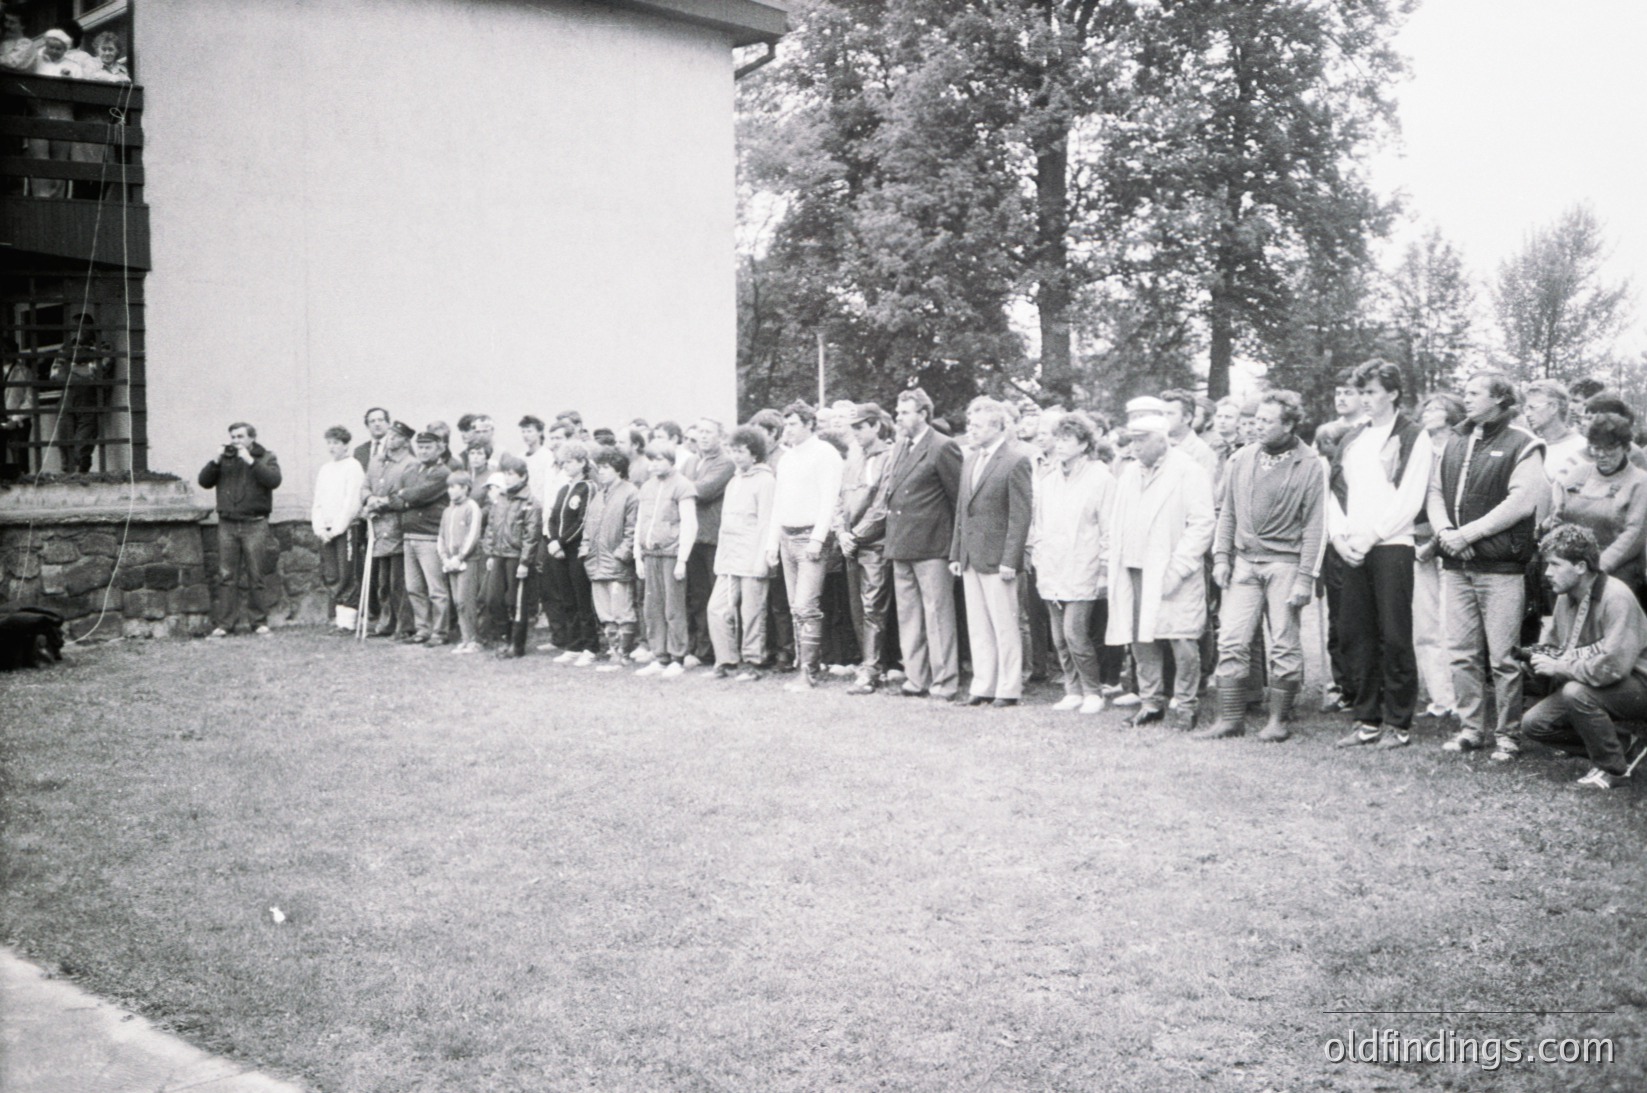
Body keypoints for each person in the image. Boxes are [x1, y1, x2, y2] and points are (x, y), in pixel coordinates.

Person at [1195, 390, 1326, 741]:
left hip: (1285, 564)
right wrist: (1221, 558)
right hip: (1244, 564)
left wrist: (1304, 578)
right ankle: (1230, 718)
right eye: (1255, 420)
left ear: (1289, 424)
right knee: (1232, 638)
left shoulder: (1310, 464)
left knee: (1284, 642)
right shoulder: (1242, 459)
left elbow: (1316, 525)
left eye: (1267, 421)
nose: (1257, 427)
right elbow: (1228, 514)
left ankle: (1279, 720)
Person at [1428, 371, 1545, 760]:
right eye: (1466, 392)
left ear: (1499, 399)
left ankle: (1508, 735)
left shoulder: (1524, 443)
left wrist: (1468, 535)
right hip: (1456, 566)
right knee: (1461, 652)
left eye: (1475, 392)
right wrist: (1446, 532)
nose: (1467, 397)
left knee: (1504, 657)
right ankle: (1470, 729)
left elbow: (1521, 502)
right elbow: (1434, 492)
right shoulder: (1455, 440)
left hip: (1501, 570)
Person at [1328, 360, 1432, 750]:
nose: (1365, 399)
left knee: (1394, 635)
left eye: (1371, 392)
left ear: (1392, 393)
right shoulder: (1351, 439)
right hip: (1353, 548)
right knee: (1356, 635)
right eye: (1361, 392)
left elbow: (1410, 498)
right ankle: (1367, 718)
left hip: (1392, 547)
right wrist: (1340, 539)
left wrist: (1371, 536)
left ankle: (1398, 722)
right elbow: (1334, 493)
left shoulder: (1413, 436)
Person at [1105, 398, 1216, 729]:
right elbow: (1117, 520)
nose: (1134, 447)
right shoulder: (1128, 473)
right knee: (1141, 638)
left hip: (1173, 571)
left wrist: (1179, 567)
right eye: (1132, 440)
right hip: (1134, 567)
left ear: (1161, 439)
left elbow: (1202, 524)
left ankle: (1185, 703)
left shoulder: (1188, 471)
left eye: (1141, 440)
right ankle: (1151, 702)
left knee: (1181, 638)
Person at [1522, 524, 1647, 789]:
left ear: (1580, 566)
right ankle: (1623, 744)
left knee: (1576, 693)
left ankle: (1613, 770)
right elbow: (1556, 646)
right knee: (1535, 724)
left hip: (1638, 682)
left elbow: (1613, 667)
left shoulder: (1616, 597)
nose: (1547, 573)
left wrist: (1560, 666)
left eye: (1555, 565)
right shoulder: (1566, 597)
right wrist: (1537, 660)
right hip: (1599, 680)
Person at [875, 388, 964, 700]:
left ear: (923, 414)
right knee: (909, 616)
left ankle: (945, 681)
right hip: (901, 545)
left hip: (933, 546)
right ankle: (916, 678)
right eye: (898, 413)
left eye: (905, 412)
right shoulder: (899, 446)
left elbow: (959, 502)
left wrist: (956, 549)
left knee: (938, 616)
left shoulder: (943, 447)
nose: (899, 418)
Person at [1028, 411, 1115, 714]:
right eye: (1059, 438)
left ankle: (1093, 690)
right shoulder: (1048, 478)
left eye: (1068, 439)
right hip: (1051, 567)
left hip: (1084, 566)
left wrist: (1104, 568)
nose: (1060, 444)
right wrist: (1038, 556)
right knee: (1058, 637)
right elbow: (1038, 524)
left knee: (1075, 632)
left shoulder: (1100, 477)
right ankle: (1072, 689)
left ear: (1084, 444)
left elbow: (1108, 527)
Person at [949, 398, 1035, 707]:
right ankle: (983, 685)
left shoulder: (1015, 461)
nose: (970, 429)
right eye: (969, 423)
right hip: (971, 556)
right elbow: (963, 511)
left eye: (978, 424)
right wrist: (957, 554)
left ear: (998, 427)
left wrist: (1010, 559)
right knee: (979, 625)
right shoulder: (970, 460)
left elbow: (1020, 515)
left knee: (1005, 625)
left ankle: (1008, 688)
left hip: (999, 560)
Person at [764, 400, 844, 691]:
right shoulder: (786, 459)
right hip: (787, 536)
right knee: (795, 607)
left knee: (806, 605)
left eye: (794, 424)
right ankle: (806, 665)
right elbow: (778, 503)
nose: (788, 429)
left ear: (809, 424)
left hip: (811, 537)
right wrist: (772, 542)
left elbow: (829, 499)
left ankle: (808, 673)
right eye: (786, 424)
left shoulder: (826, 454)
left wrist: (818, 538)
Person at [1545, 412, 1647, 603]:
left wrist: (1595, 570)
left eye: (1610, 448)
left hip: (1615, 577)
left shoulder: (1639, 482)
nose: (1601, 454)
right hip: (1573, 572)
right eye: (1596, 448)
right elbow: (1559, 518)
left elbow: (1633, 536)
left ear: (1625, 447)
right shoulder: (1578, 474)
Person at [198, 422, 282, 637]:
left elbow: (274, 480)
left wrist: (251, 461)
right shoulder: (225, 458)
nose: (235, 441)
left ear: (251, 438)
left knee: (256, 575)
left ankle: (259, 622)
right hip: (227, 524)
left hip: (255, 523)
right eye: (233, 437)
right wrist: (215, 460)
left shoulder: (266, 457)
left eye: (240, 437)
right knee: (226, 575)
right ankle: (225, 624)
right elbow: (204, 481)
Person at [1413, 392, 1465, 724]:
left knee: (1453, 627)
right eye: (1426, 408)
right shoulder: (1417, 448)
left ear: (1452, 413)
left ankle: (1461, 699)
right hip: (1416, 544)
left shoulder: (1462, 448)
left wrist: (1437, 540)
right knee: (1424, 625)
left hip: (1453, 544)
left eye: (1437, 407)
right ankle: (1440, 699)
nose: (1429, 412)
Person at [709, 425, 777, 680]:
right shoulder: (734, 481)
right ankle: (726, 660)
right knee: (716, 608)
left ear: (754, 452)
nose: (736, 456)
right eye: (733, 450)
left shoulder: (766, 481)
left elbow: (766, 522)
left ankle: (754, 662)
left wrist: (762, 560)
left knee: (752, 613)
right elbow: (726, 525)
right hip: (729, 559)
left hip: (752, 558)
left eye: (740, 451)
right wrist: (721, 559)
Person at [836, 403, 894, 694]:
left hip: (874, 545)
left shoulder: (889, 457)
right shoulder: (853, 457)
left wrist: (855, 535)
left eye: (860, 427)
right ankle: (869, 665)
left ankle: (872, 669)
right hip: (852, 544)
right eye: (853, 428)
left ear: (875, 426)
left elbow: (882, 506)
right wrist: (841, 532)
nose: (856, 433)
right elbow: (840, 499)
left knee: (873, 607)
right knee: (858, 608)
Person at [635, 430, 698, 678]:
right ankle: (659, 655)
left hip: (672, 554)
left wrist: (682, 559)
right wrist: (638, 556)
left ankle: (677, 656)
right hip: (650, 554)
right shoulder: (647, 487)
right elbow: (640, 523)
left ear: (671, 460)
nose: (654, 464)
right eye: (651, 459)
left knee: (673, 607)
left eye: (659, 459)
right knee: (653, 607)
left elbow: (689, 524)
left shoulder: (682, 486)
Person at [381, 431, 452, 646]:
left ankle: (440, 632)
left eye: (428, 447)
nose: (423, 451)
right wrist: (405, 496)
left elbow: (418, 495)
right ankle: (423, 629)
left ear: (439, 448)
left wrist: (406, 495)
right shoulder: (411, 469)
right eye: (420, 447)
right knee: (413, 588)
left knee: (436, 589)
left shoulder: (443, 473)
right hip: (409, 536)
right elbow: (394, 498)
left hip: (429, 537)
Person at [581, 448, 641, 670]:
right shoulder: (598, 495)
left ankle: (623, 654)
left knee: (622, 610)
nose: (601, 472)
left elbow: (633, 529)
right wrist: (585, 551)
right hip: (596, 563)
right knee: (605, 612)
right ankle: (613, 650)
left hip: (617, 564)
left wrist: (622, 554)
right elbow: (588, 528)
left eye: (605, 468)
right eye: (599, 469)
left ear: (618, 468)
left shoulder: (630, 493)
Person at [478, 454, 541, 655]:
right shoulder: (500, 499)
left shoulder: (530, 502)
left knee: (516, 601)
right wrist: (490, 553)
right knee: (493, 599)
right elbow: (491, 527)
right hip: (498, 555)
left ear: (523, 477)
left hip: (516, 557)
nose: (507, 478)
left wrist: (525, 561)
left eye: (511, 474)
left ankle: (517, 644)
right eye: (505, 474)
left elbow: (532, 535)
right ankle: (503, 637)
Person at [686, 417, 736, 667]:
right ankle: (701, 648)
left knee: (715, 596)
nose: (703, 437)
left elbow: (703, 491)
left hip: (714, 538)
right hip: (693, 537)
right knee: (697, 595)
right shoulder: (692, 461)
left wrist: (678, 488)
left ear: (720, 436)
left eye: (709, 432)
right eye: (700, 432)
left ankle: (718, 650)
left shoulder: (725, 462)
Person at [544, 441, 599, 661]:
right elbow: (553, 518)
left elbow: (582, 520)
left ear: (582, 462)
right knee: (567, 598)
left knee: (581, 598)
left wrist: (563, 542)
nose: (564, 466)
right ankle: (573, 645)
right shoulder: (564, 489)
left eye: (569, 462)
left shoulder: (588, 487)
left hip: (575, 551)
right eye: (562, 462)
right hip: (558, 551)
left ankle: (590, 646)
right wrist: (552, 541)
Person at [311, 425, 365, 634]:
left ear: (345, 445)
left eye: (336, 443)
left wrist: (337, 529)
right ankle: (339, 619)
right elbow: (318, 501)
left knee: (347, 573)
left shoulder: (353, 467)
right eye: (330, 443)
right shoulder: (325, 469)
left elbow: (351, 502)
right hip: (326, 530)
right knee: (331, 573)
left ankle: (348, 622)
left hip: (345, 529)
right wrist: (320, 528)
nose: (332, 447)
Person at [364, 422, 416, 638]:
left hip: (398, 527)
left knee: (399, 582)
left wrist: (383, 502)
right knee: (383, 582)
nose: (390, 439)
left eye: (395, 436)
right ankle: (386, 623)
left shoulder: (410, 464)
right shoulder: (376, 462)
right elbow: (365, 486)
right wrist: (369, 498)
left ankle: (404, 626)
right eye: (389, 435)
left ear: (405, 440)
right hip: (378, 529)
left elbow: (406, 495)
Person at [438, 471, 485, 654]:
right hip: (450, 563)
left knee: (466, 600)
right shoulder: (447, 510)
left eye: (453, 487)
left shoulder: (471, 507)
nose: (450, 491)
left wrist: (460, 557)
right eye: (448, 487)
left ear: (465, 488)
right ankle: (465, 639)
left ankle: (473, 640)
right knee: (457, 601)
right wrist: (445, 558)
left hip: (468, 562)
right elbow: (441, 536)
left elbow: (473, 535)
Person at [1523, 379, 1586, 490]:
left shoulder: (1582, 447)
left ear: (1554, 407)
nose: (1527, 414)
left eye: (1533, 407)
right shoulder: (1531, 447)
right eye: (1526, 408)